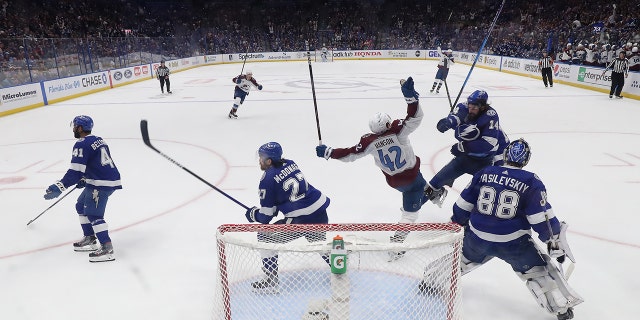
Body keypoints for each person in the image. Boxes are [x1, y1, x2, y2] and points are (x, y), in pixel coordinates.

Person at [441, 138, 583, 320]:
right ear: (526, 160)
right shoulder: (531, 181)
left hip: (477, 237)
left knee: (461, 260)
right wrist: (553, 241)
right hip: (512, 243)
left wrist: (457, 222)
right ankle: (561, 310)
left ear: (506, 154)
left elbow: (464, 204)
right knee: (539, 272)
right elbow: (540, 218)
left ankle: (431, 280)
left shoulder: (485, 172)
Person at [315, 77, 428, 260]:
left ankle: (430, 192)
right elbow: (415, 118)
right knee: (410, 215)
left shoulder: (369, 141)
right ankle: (397, 246)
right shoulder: (398, 130)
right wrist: (411, 99)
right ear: (387, 123)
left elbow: (350, 154)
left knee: (420, 185)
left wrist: (329, 152)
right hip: (411, 178)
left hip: (394, 181)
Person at [245, 141, 330, 292]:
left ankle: (271, 280)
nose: (259, 160)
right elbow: (287, 193)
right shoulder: (290, 163)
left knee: (265, 236)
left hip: (300, 219)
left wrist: (253, 214)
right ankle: (339, 268)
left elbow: (265, 217)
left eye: (261, 158)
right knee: (318, 241)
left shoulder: (267, 179)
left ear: (269, 161)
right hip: (319, 211)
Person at [43, 115, 122, 262]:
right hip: (103, 178)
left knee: (94, 214)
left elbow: (75, 171)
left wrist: (60, 186)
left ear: (79, 128)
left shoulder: (81, 144)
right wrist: (85, 178)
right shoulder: (99, 139)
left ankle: (107, 247)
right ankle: (90, 238)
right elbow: (96, 162)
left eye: (75, 126)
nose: (73, 129)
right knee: (80, 205)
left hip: (101, 183)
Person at [427, 90, 510, 206]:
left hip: (491, 157)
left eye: (474, 108)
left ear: (482, 107)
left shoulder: (490, 116)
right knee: (430, 188)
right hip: (466, 157)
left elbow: (487, 144)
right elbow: (457, 117)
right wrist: (448, 122)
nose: (470, 110)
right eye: (469, 107)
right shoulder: (465, 107)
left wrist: (462, 146)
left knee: (492, 192)